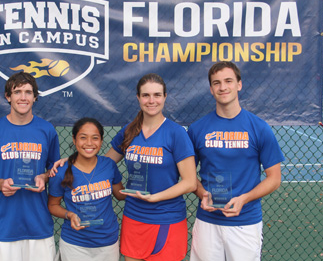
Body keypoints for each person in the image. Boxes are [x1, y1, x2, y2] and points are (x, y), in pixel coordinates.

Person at [187, 62, 284, 261]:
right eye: (217, 83)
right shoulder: (197, 129)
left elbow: (274, 179)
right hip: (208, 222)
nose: (223, 87)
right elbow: (188, 175)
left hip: (245, 223)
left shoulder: (259, 128)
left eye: (228, 81)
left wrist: (244, 199)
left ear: (239, 84)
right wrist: (202, 193)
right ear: (211, 89)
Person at [106, 73, 197, 261]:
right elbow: (104, 164)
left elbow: (190, 183)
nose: (151, 100)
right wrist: (72, 161)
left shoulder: (176, 133)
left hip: (166, 219)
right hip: (133, 217)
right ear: (138, 98)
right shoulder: (129, 131)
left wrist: (155, 197)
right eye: (146, 95)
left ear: (165, 97)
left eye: (157, 95)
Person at [0, 72, 60, 261]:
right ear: (8, 96)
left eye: (28, 92)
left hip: (39, 226)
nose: (23, 97)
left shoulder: (47, 130)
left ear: (35, 97)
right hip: (6, 227)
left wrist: (44, 177)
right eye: (17, 91)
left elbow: (54, 170)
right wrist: (0, 184)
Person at [48, 117, 125, 261]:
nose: (89, 143)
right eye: (83, 137)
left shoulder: (109, 165)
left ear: (101, 141)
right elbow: (52, 205)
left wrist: (142, 186)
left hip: (107, 242)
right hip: (75, 244)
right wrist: (69, 215)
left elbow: (120, 195)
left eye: (95, 138)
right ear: (74, 139)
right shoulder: (61, 171)